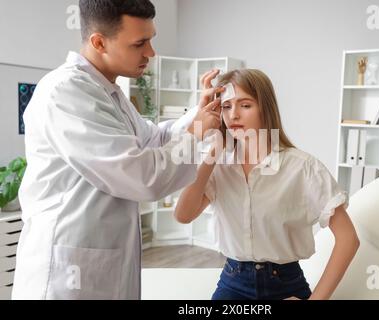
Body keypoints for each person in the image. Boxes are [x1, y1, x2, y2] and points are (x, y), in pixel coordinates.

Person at [12, 0, 222, 300]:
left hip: (99, 263)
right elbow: (142, 176)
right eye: (140, 43)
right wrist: (197, 130)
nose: (151, 52)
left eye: (151, 39)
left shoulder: (110, 93)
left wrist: (197, 115)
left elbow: (153, 139)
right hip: (67, 274)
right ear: (99, 42)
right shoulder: (65, 92)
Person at [174, 69, 360, 300]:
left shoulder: (302, 167)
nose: (233, 115)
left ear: (265, 107)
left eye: (245, 105)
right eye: (226, 106)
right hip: (233, 282)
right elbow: (183, 214)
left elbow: (348, 239)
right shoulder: (218, 165)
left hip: (285, 285)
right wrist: (214, 148)